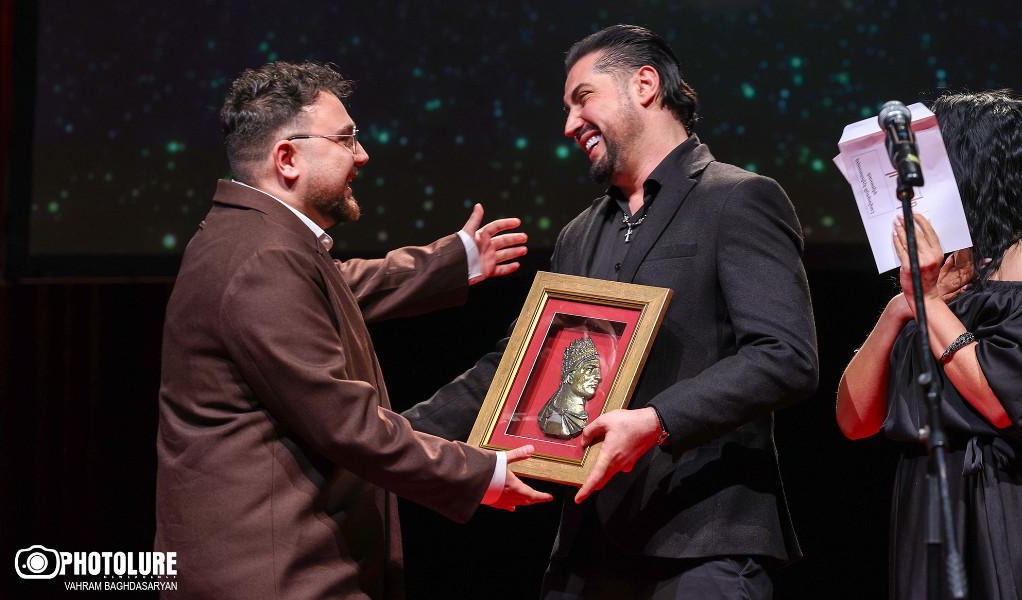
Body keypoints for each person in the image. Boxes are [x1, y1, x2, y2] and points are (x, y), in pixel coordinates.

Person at [405, 25, 818, 599]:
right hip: (587, 552)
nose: (569, 124)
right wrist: (387, 436)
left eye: (583, 98)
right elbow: (516, 367)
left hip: (703, 543)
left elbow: (786, 357)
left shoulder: (737, 198)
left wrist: (656, 421)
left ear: (645, 85)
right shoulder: (579, 234)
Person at [154, 61, 552, 600]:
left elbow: (335, 283)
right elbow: (348, 424)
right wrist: (481, 472)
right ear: (287, 158)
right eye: (345, 140)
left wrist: (453, 261)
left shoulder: (249, 236)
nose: (362, 155)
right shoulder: (264, 259)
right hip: (276, 577)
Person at [836, 90, 1022, 600]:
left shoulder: (1016, 263)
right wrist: (901, 307)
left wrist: (929, 302)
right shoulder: (942, 272)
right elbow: (855, 421)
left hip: (997, 496)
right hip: (925, 498)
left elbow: (999, 402)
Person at [537, 336, 603, 439]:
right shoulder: (552, 416)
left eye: (598, 371)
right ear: (570, 376)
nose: (599, 377)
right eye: (590, 369)